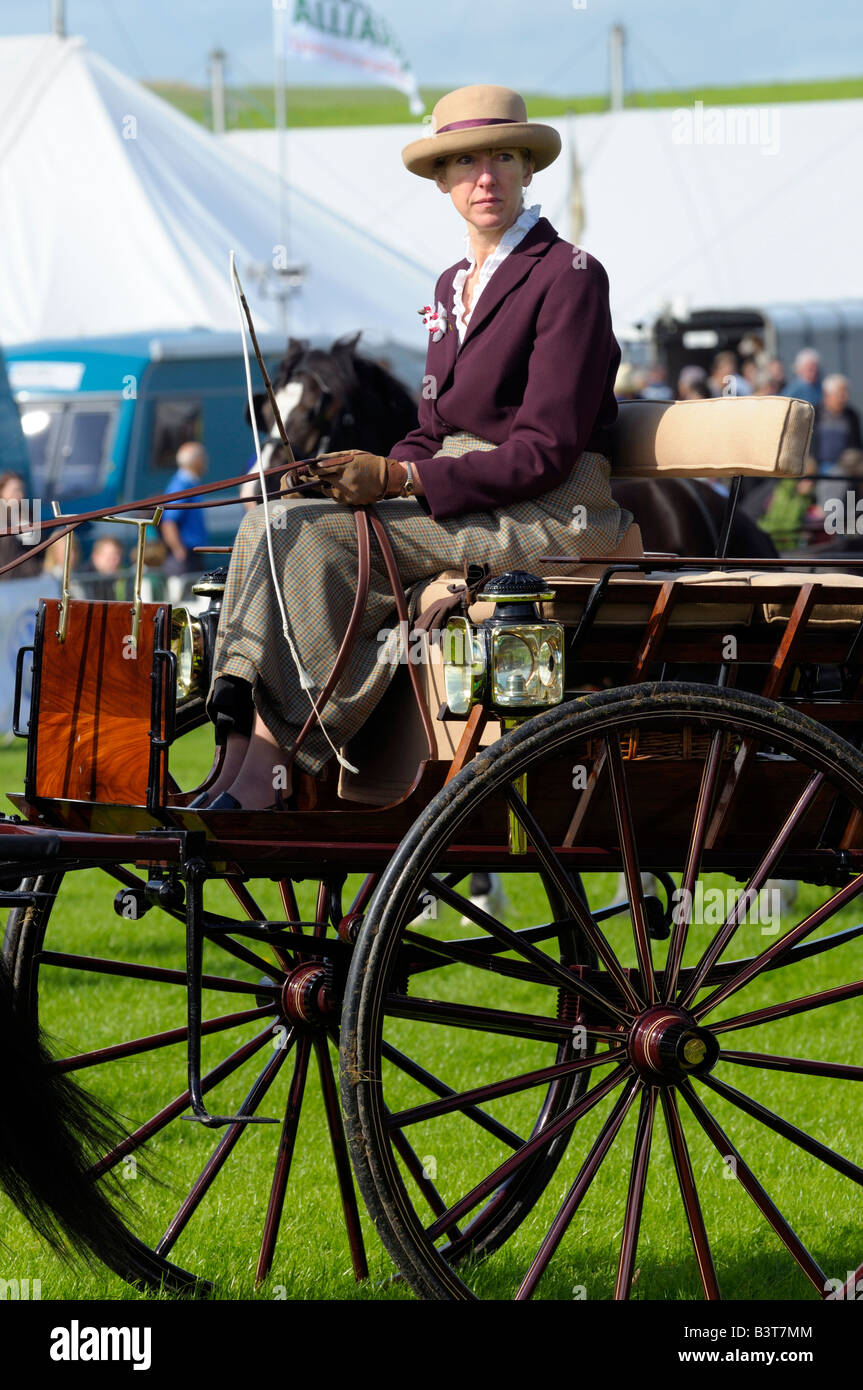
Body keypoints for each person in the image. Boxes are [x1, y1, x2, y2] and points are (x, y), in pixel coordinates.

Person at [195, 85, 631, 811]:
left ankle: (283, 763)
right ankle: (240, 752)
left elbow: (546, 450)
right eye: (464, 162)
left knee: (315, 542)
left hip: (553, 507)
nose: (483, 177)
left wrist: (400, 477)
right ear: (442, 182)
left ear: (527, 169)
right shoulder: (450, 285)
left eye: (500, 157)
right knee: (272, 520)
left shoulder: (569, 277)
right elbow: (432, 432)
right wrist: (350, 474)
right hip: (470, 493)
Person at [160, 442, 209, 575]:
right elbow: (169, 522)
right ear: (197, 461)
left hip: (192, 552)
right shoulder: (182, 485)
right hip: (185, 556)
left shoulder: (189, 483)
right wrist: (179, 550)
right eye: (203, 457)